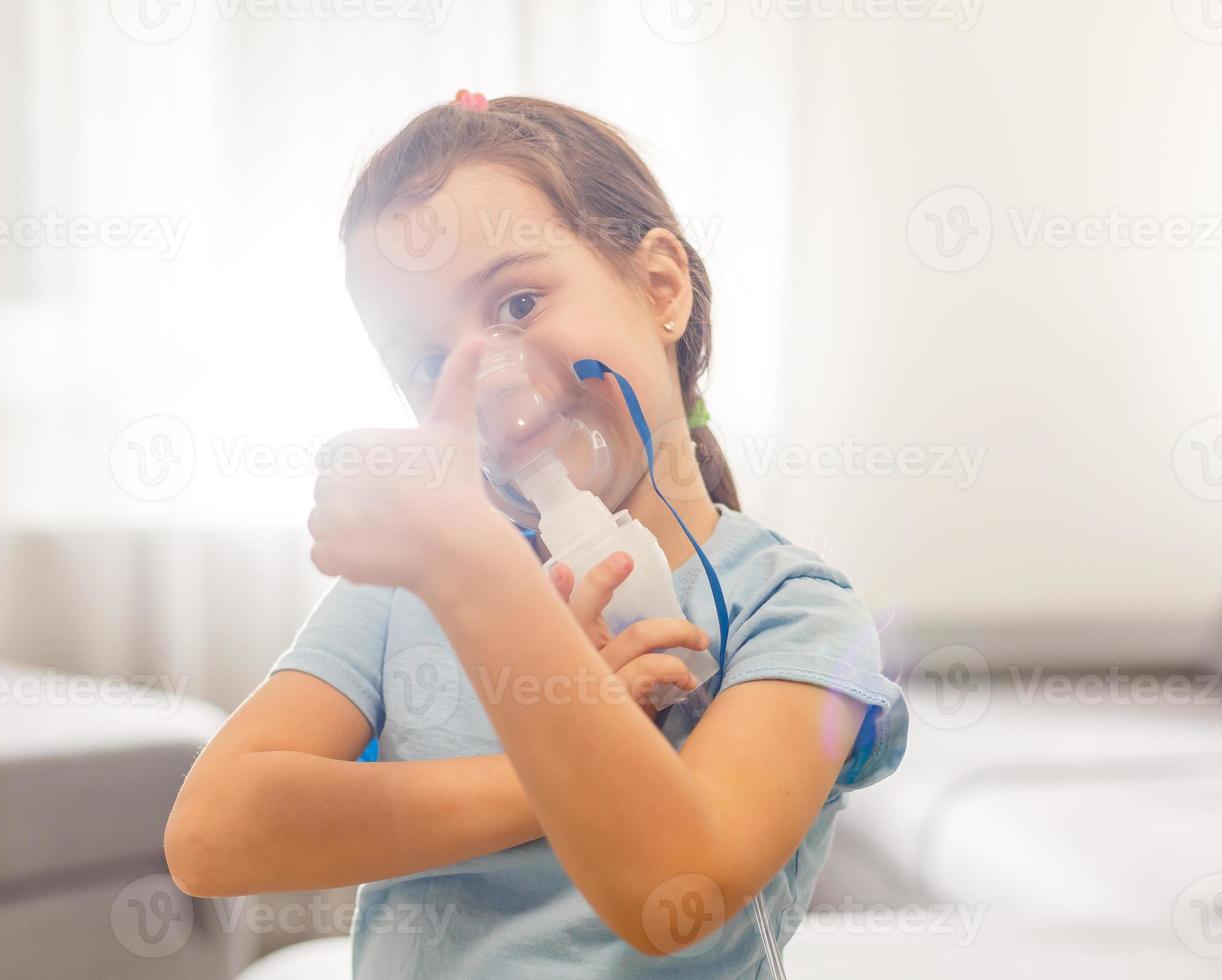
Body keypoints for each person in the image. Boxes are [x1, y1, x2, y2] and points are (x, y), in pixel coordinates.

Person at [166, 92, 908, 978]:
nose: (484, 377)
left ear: (661, 287)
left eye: (517, 303)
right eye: (429, 362)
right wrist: (553, 758)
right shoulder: (410, 593)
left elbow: (677, 891)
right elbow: (213, 835)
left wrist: (484, 587)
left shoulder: (792, 613)